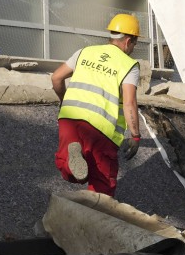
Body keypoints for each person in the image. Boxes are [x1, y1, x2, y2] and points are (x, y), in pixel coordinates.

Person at [51, 14, 143, 197]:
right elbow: (130, 103)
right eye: (134, 44)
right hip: (100, 128)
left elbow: (56, 77)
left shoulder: (84, 52)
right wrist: (136, 135)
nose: (133, 49)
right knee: (102, 184)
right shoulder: (129, 65)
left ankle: (72, 159)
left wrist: (65, 101)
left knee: (69, 169)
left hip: (69, 119)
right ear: (127, 40)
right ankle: (95, 220)